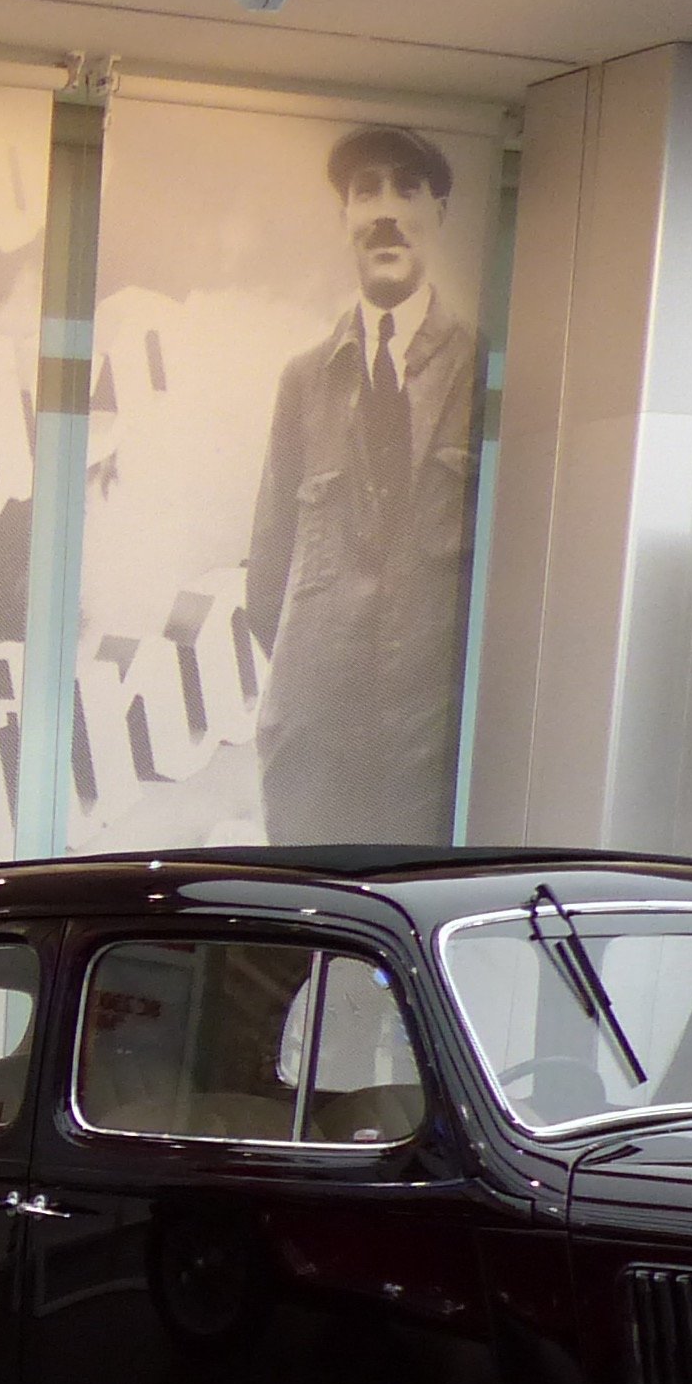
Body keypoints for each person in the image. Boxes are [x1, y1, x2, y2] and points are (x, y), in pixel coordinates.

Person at [243, 125, 485, 845]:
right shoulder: (305, 378)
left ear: (438, 213)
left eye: (406, 190)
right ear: (344, 217)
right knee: (301, 910)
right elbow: (267, 576)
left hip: (430, 748)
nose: (385, 211)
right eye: (365, 192)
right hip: (316, 746)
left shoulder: (483, 370)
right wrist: (321, 672)